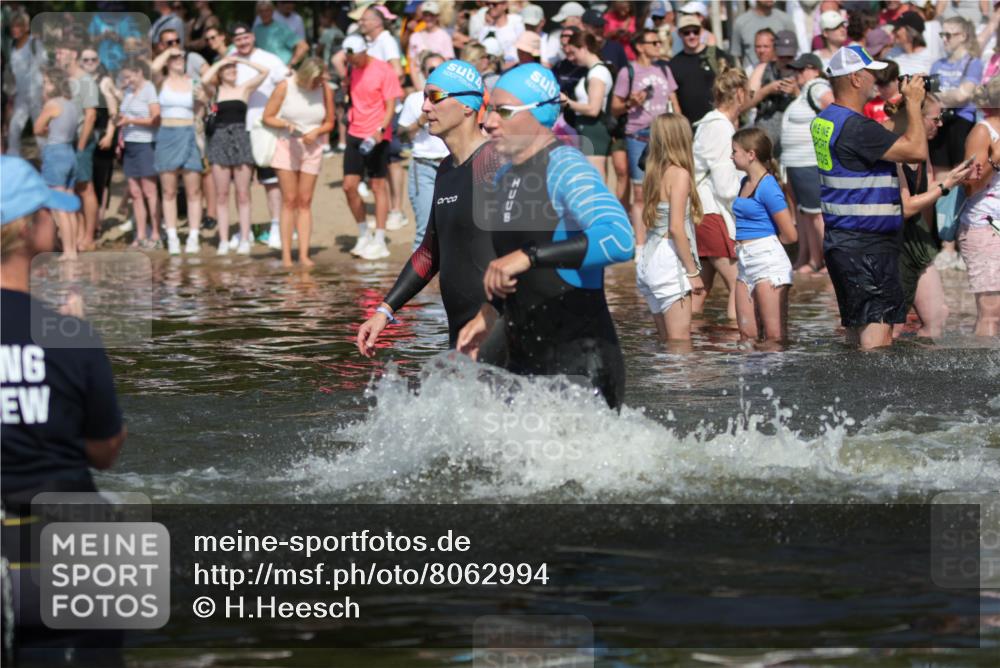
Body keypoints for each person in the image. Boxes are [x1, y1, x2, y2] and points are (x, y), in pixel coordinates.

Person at [1, 156, 126, 665]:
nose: (54, 222)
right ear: (30, 228)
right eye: (49, 213)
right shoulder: (69, 335)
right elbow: (104, 451)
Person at [456, 63, 635, 411]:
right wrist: (488, 316)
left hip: (580, 367)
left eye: (503, 111)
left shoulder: (566, 166)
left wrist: (529, 255)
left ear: (539, 115)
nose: (489, 121)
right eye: (489, 109)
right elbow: (517, 276)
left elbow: (619, 237)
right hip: (523, 361)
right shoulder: (502, 177)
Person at [356, 59, 505, 357]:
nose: (425, 107)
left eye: (434, 97)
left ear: (467, 106)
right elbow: (429, 253)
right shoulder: (447, 170)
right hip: (461, 333)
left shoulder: (497, 164)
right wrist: (384, 311)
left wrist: (490, 317)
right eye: (424, 97)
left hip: (501, 330)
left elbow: (528, 256)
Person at [811, 46, 929, 349]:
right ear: (855, 79)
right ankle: (874, 397)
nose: (876, 79)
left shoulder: (828, 119)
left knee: (857, 337)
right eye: (871, 73)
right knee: (878, 341)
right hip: (867, 247)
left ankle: (848, 395)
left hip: (843, 241)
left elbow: (877, 140)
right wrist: (914, 105)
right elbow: (916, 150)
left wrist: (903, 109)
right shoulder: (857, 127)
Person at [886, 92, 973, 337]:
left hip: (918, 240)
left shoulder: (923, 151)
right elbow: (905, 208)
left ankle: (920, 372)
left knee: (938, 315)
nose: (941, 123)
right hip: (895, 243)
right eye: (936, 118)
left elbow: (928, 191)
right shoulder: (897, 150)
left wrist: (956, 178)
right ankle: (884, 372)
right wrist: (947, 185)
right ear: (916, 116)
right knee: (893, 326)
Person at [635, 113, 704, 345]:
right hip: (669, 259)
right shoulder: (680, 174)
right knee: (680, 344)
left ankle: (662, 383)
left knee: (666, 343)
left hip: (648, 259)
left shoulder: (653, 172)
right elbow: (676, 228)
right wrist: (693, 273)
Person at [262, 58, 335, 267]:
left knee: (305, 201)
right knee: (289, 200)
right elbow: (267, 116)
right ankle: (286, 256)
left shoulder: (325, 89)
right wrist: (285, 123)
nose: (317, 84)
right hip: (287, 144)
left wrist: (318, 131)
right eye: (314, 80)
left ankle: (303, 254)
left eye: (319, 80)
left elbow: (330, 122)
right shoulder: (286, 86)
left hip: (312, 147)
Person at [611, 29, 681, 244]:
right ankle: (640, 244)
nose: (658, 46)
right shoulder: (627, 72)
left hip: (663, 134)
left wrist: (680, 128)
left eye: (659, 42)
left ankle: (663, 237)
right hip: (638, 135)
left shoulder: (664, 69)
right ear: (640, 46)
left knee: (665, 188)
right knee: (640, 191)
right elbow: (615, 108)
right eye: (654, 42)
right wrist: (631, 103)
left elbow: (674, 102)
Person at [730, 127, 798, 346]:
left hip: (767, 261)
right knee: (746, 338)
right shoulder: (744, 182)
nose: (731, 156)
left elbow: (790, 234)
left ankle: (777, 378)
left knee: (773, 338)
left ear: (751, 154)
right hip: (745, 263)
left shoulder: (767, 186)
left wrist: (765, 247)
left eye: (735, 151)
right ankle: (750, 378)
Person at [691, 68, 748, 321]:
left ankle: (686, 340)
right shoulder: (721, 129)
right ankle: (739, 341)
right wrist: (750, 198)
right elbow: (725, 187)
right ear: (739, 93)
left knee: (700, 288)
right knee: (739, 282)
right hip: (712, 213)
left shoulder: (709, 123)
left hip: (700, 211)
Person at [341, 34, 404, 261]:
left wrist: (381, 129)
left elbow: (391, 104)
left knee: (378, 186)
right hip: (354, 131)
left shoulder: (383, 69)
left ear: (364, 51)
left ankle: (379, 238)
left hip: (377, 133)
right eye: (349, 58)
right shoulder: (351, 68)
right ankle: (363, 233)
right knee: (349, 186)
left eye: (354, 57)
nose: (352, 62)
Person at [203, 55, 269, 255]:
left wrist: (242, 61)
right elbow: (205, 79)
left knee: (243, 193)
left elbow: (264, 72)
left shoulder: (244, 88)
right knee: (222, 194)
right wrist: (222, 62)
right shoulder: (215, 91)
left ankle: (245, 236)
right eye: (228, 68)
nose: (232, 70)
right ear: (221, 72)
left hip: (240, 137)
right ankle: (223, 239)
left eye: (234, 68)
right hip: (220, 139)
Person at [230, 22, 288, 251]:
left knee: (270, 181)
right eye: (238, 39)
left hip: (264, 127)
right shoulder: (230, 60)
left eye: (245, 37)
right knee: (242, 183)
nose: (242, 42)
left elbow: (286, 83)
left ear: (252, 37)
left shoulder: (269, 59)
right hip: (238, 127)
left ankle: (276, 227)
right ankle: (245, 231)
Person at [931, 16, 984, 264]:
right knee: (941, 182)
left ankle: (962, 244)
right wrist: (949, 96)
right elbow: (934, 98)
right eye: (942, 34)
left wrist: (944, 96)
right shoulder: (937, 63)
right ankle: (946, 244)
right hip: (940, 123)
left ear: (963, 36)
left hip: (962, 122)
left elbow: (965, 94)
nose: (944, 39)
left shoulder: (972, 62)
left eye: (949, 35)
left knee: (964, 178)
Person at [780, 52, 833, 274]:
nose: (797, 74)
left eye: (802, 70)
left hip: (809, 161)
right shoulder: (803, 93)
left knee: (816, 214)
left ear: (815, 70)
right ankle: (811, 259)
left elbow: (833, 107)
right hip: (796, 164)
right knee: (806, 214)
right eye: (795, 70)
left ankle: (827, 263)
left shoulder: (817, 87)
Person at [151, 46, 205, 255]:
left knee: (193, 190)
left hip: (188, 133)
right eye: (174, 58)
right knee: (169, 190)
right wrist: (168, 52)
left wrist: (202, 103)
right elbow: (152, 68)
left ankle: (193, 235)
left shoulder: (193, 82)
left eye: (181, 57)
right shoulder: (161, 82)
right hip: (166, 134)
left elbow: (201, 108)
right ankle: (172, 235)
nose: (178, 60)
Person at [957, 78, 1000, 336]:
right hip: (984, 225)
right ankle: (983, 374)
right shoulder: (983, 131)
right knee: (991, 312)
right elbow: (970, 185)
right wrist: (995, 160)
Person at [398, 51, 450, 250]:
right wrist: (420, 121)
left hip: (452, 166)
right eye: (432, 70)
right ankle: (421, 280)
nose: (437, 73)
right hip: (424, 166)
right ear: (423, 72)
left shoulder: (452, 98)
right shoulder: (414, 100)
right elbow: (401, 136)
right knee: (425, 230)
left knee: (452, 229)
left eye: (441, 68)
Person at [114, 60, 161, 249]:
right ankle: (140, 234)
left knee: (150, 191)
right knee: (135, 192)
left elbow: (156, 119)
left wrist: (131, 120)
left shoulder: (149, 89)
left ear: (139, 72)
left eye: (129, 76)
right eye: (124, 77)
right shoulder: (128, 92)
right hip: (129, 145)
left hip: (145, 144)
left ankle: (156, 233)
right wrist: (120, 137)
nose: (127, 80)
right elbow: (122, 118)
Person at [33, 68, 80, 259]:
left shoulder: (52, 104)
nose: (44, 86)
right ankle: (73, 249)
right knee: (69, 206)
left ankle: (68, 252)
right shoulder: (71, 104)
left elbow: (36, 128)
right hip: (70, 152)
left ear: (55, 83)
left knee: (59, 208)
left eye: (47, 82)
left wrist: (45, 130)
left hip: (56, 153)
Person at [60, 40, 99, 254]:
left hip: (81, 140)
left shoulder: (85, 81)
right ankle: (78, 234)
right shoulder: (66, 80)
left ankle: (89, 236)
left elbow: (91, 115)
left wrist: (82, 147)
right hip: (66, 140)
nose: (58, 55)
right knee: (74, 188)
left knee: (86, 187)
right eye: (56, 52)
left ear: (73, 53)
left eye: (62, 51)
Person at [559, 32, 612, 180]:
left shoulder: (598, 72)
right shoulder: (593, 72)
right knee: (590, 177)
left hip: (594, 130)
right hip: (587, 129)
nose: (573, 58)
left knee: (595, 178)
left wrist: (567, 102)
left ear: (583, 48)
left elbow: (593, 109)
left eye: (574, 52)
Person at [669, 14, 736, 126]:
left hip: (719, 122)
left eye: (695, 31)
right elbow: (673, 98)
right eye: (687, 32)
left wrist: (734, 118)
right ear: (680, 34)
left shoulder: (716, 55)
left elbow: (733, 86)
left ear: (701, 32)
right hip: (691, 126)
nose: (692, 36)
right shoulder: (674, 63)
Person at [748, 30, 798, 155]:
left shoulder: (802, 71)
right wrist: (766, 90)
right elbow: (744, 104)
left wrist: (796, 92)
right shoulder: (763, 69)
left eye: (790, 57)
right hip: (766, 138)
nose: (786, 61)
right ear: (775, 52)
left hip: (793, 139)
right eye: (782, 57)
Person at [5, 11, 45, 158]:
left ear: (26, 27)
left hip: (37, 95)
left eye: (18, 26)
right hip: (20, 97)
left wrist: (45, 95)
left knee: (40, 132)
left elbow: (44, 69)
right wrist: (12, 95)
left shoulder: (34, 44)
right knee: (14, 131)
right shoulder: (12, 46)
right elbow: (14, 74)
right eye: (12, 26)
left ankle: (48, 167)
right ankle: (12, 166)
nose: (14, 29)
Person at [731, 0, 797, 68]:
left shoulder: (786, 21)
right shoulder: (741, 23)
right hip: (751, 75)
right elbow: (738, 55)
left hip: (780, 75)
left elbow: (793, 52)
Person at [407, 2, 455, 90]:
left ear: (437, 16)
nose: (428, 18)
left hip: (439, 81)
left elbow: (448, 62)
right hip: (420, 80)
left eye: (431, 15)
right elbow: (413, 64)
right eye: (426, 15)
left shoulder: (444, 36)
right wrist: (419, 89)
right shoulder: (415, 36)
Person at [253, 0, 308, 67]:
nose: (264, 13)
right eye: (261, 11)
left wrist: (291, 64)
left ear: (272, 11)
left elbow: (304, 46)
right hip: (265, 69)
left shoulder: (282, 28)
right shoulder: (256, 30)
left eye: (267, 10)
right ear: (258, 13)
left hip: (282, 69)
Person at [477, 0, 525, 66]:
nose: (490, 6)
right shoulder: (486, 28)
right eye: (488, 4)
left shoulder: (516, 21)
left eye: (494, 4)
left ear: (505, 5)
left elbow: (524, 47)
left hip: (516, 67)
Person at [890, 11, 935, 75]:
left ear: (911, 32)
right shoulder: (893, 52)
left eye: (897, 28)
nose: (893, 31)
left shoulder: (928, 57)